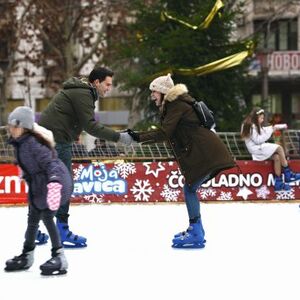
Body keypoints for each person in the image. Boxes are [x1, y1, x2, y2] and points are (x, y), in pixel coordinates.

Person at [128, 74, 235, 249]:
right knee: (190, 188)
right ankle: (196, 230)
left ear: (162, 91)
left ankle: (196, 232)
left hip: (207, 154)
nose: (152, 96)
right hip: (206, 153)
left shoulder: (176, 104)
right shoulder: (175, 105)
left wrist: (136, 137)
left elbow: (164, 133)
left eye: (154, 92)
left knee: (190, 188)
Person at [38, 66, 133, 247]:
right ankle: (61, 230)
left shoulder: (81, 90)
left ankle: (35, 229)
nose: (109, 88)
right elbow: (90, 126)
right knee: (65, 184)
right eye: (107, 84)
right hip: (56, 140)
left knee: (48, 184)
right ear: (96, 82)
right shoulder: (84, 94)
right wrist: (119, 137)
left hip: (48, 138)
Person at [4, 106, 71, 275]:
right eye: (10, 125)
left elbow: (52, 163)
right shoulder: (21, 142)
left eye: (14, 126)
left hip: (53, 184)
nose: (11, 129)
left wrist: (54, 184)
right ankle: (27, 255)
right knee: (33, 219)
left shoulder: (33, 143)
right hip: (39, 186)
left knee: (47, 217)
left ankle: (60, 258)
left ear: (23, 127)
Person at [241, 107, 300, 191]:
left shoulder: (252, 124)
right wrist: (272, 129)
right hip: (257, 149)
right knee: (279, 148)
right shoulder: (251, 126)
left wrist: (275, 127)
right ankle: (288, 174)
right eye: (261, 118)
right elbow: (258, 140)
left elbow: (263, 131)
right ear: (256, 117)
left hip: (258, 148)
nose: (262, 119)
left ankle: (278, 183)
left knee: (277, 157)